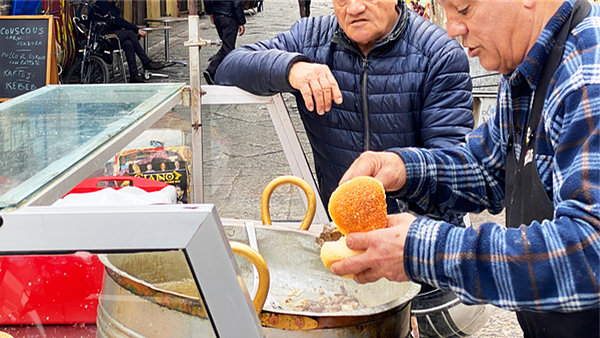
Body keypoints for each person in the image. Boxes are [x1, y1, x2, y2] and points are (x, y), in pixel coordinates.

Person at [330, 0, 600, 336]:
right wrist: (405, 169)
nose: (452, 29)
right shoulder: (527, 62)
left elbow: (590, 252)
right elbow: (487, 167)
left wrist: (422, 249)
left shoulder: (589, 78)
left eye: (465, 9)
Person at [215, 0, 474, 224]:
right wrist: (292, 67)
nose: (355, 8)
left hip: (417, 235)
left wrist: (420, 239)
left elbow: (451, 168)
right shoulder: (310, 39)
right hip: (343, 226)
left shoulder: (438, 54)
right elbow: (229, 66)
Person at [91, 0, 164, 83]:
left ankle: (134, 75)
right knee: (131, 34)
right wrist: (137, 30)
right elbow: (118, 21)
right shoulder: (101, 4)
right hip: (103, 38)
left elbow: (116, 22)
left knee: (128, 44)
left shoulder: (111, 6)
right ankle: (146, 62)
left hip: (112, 36)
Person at [202, 0, 246, 85]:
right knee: (228, 48)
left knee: (226, 46)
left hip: (218, 16)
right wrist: (241, 22)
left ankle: (220, 73)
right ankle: (212, 70)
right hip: (229, 16)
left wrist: (211, 13)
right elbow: (236, 3)